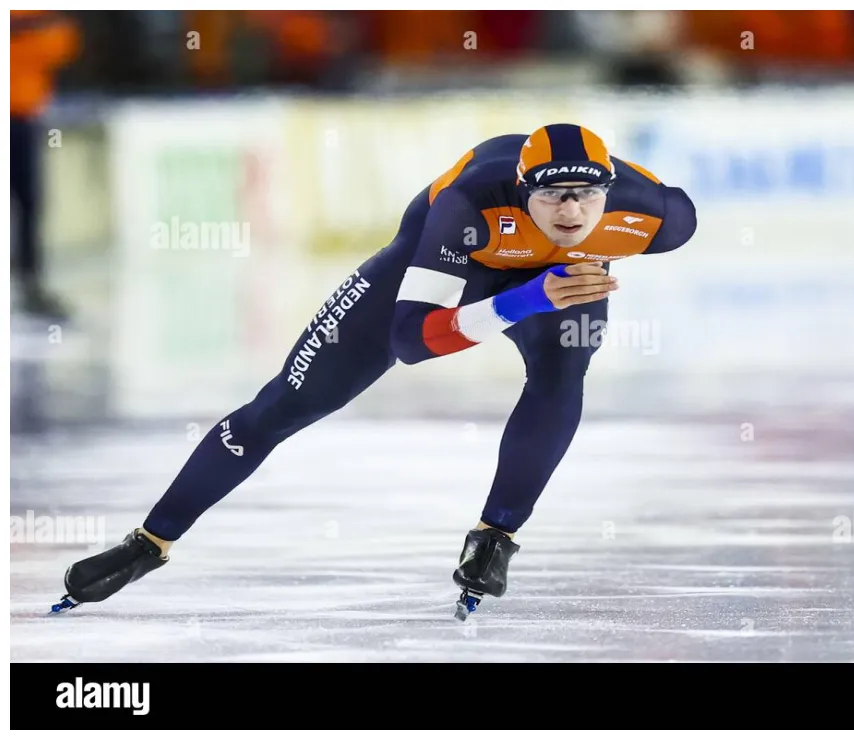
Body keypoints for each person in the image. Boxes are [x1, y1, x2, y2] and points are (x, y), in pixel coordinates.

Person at [53, 124, 697, 620]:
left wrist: (554, 287)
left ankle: (495, 537)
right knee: (285, 404)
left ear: (609, 194)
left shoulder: (656, 217)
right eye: (553, 194)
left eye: (586, 194)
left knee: (563, 374)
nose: (570, 211)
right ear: (525, 191)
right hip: (454, 265)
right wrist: (527, 297)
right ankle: (150, 542)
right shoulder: (468, 204)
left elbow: (676, 215)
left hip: (559, 283)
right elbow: (413, 342)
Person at [11, 9, 80, 320]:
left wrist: (19, 35)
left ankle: (30, 283)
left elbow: (62, 42)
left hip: (22, 115)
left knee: (29, 202)